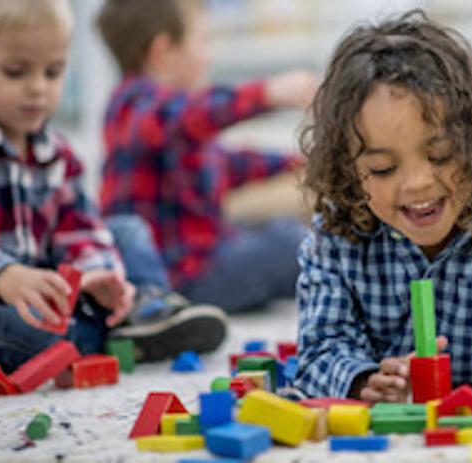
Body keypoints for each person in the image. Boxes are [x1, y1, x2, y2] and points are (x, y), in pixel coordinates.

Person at [292, 10, 472, 401]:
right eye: (383, 168)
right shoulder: (333, 237)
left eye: (442, 155)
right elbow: (320, 352)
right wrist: (364, 381)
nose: (417, 183)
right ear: (347, 170)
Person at [0, 0, 225, 372]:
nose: (38, 88)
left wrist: (98, 272)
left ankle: (142, 308)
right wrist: (3, 275)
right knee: (15, 330)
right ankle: (99, 338)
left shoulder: (57, 153)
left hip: (52, 295)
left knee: (126, 228)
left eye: (54, 72)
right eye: (16, 72)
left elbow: (79, 227)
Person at [97, 0, 319, 313]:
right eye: (202, 41)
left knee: (280, 230)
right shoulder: (134, 106)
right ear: (163, 51)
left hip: (207, 256)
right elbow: (192, 114)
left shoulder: (171, 122)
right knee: (295, 244)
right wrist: (267, 93)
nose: (209, 54)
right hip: (182, 277)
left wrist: (300, 161)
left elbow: (227, 164)